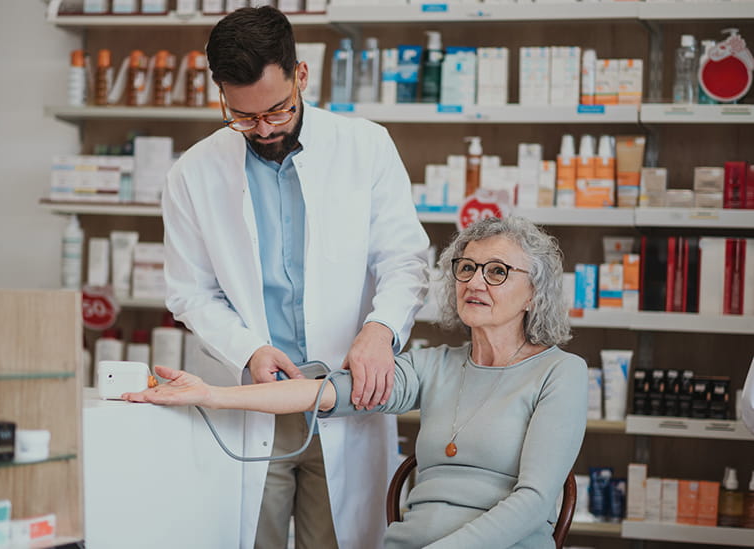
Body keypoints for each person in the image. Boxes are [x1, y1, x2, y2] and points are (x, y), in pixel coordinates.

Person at [126, 216, 588, 549]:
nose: (475, 282)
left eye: (498, 271)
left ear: (535, 293)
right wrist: (212, 395)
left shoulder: (559, 373)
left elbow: (533, 502)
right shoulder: (434, 365)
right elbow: (323, 391)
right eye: (466, 267)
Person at [161, 6, 429, 549]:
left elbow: (404, 259)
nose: (263, 129)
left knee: (337, 539)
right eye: (243, 117)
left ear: (301, 76)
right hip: (258, 397)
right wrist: (248, 349)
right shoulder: (192, 172)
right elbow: (190, 291)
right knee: (249, 537)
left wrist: (380, 331)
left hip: (346, 394)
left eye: (277, 111)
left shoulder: (367, 147)